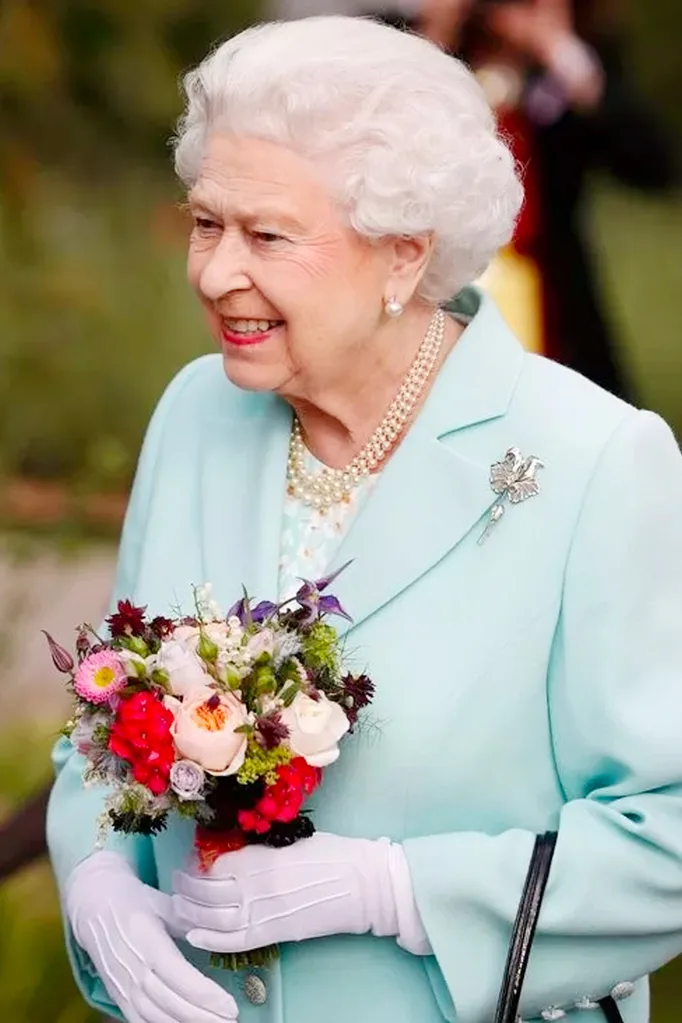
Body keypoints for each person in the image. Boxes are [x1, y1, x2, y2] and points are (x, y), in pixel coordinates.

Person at [46, 15, 682, 1023]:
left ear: (402, 257)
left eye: (266, 235)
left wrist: (398, 892)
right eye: (206, 223)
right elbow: (106, 725)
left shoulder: (595, 459)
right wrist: (97, 880)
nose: (214, 273)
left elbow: (667, 840)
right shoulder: (197, 411)